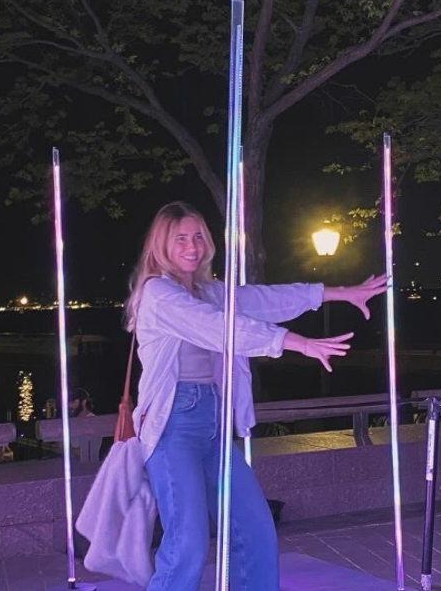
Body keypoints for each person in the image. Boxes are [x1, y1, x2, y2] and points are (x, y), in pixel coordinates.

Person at [125, 201, 385, 591]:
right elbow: (221, 328)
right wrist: (296, 343)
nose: (192, 247)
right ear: (160, 244)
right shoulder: (159, 293)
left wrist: (340, 293)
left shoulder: (209, 291)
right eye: (180, 239)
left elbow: (264, 300)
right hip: (171, 427)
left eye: (198, 237)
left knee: (254, 529)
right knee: (188, 543)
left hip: (213, 422)